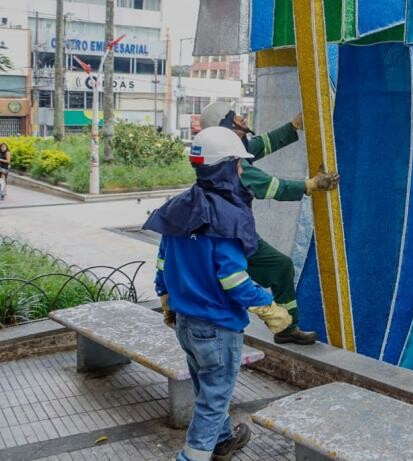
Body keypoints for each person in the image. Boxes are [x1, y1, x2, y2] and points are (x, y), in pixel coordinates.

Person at [144, 127, 293, 461]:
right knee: (214, 399)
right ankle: (191, 457)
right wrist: (269, 307)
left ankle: (223, 440)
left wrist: (166, 297)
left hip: (185, 322)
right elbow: (234, 280)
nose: (242, 171)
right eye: (238, 164)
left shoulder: (180, 208)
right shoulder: (226, 218)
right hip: (217, 328)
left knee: (207, 388)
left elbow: (163, 260)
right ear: (226, 167)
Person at [199, 102, 339, 345]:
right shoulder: (231, 166)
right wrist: (313, 185)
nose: (242, 120)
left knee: (280, 266)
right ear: (226, 129)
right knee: (245, 278)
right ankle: (272, 326)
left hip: (234, 234)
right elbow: (273, 186)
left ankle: (287, 328)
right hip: (231, 239)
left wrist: (294, 126)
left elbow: (260, 144)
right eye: (236, 118)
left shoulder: (225, 154)